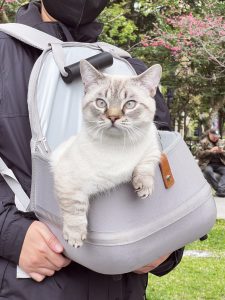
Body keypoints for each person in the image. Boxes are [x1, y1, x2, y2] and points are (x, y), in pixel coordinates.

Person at [0, 1, 184, 299]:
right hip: (27, 287)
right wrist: (12, 235)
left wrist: (166, 248)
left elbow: (164, 169)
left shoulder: (130, 70)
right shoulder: (3, 53)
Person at [197, 128, 225, 197]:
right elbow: (198, 154)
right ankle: (220, 190)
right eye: (214, 136)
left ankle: (220, 190)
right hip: (207, 164)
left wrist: (222, 152)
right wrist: (211, 151)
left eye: (217, 136)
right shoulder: (203, 142)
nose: (216, 138)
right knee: (208, 171)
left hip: (220, 164)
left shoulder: (221, 142)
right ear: (209, 134)